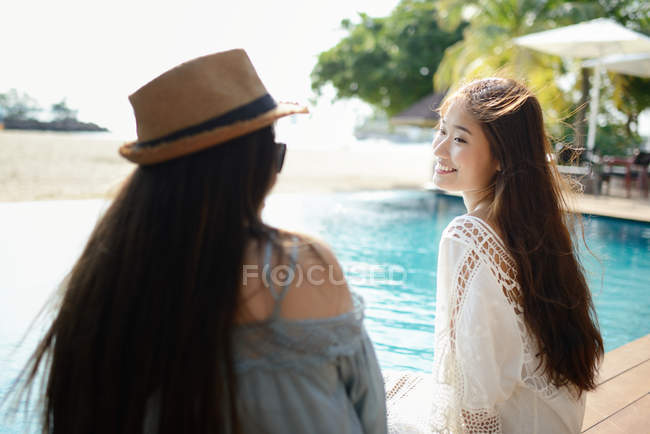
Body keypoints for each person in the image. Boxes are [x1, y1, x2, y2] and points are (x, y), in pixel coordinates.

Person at [10, 49, 387, 434]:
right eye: (274, 154)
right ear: (252, 168)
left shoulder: (103, 279)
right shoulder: (299, 265)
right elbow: (371, 415)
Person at [385, 78, 603, 433]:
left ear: (502, 156)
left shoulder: (468, 235)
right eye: (441, 131)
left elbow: (474, 403)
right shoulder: (533, 227)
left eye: (459, 139)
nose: (439, 149)